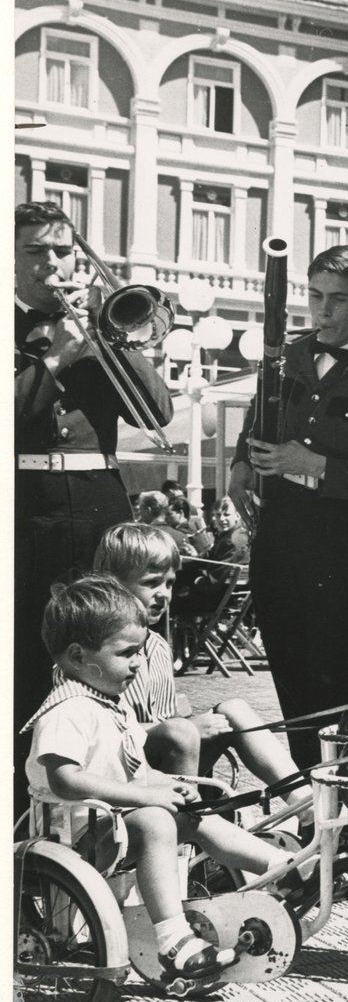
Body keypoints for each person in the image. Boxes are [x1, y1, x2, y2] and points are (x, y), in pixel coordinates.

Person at [23, 576, 305, 985]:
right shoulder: (66, 711)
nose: (139, 663)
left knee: (190, 813)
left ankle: (281, 866)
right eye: (127, 654)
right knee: (156, 820)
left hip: (109, 827)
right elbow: (65, 780)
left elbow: (134, 766)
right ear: (78, 656)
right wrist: (142, 795)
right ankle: (174, 940)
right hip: (72, 834)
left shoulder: (106, 706)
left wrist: (169, 784)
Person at [228, 246, 348, 772]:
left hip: (344, 546)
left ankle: (345, 799)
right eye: (315, 296)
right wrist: (239, 464)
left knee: (338, 685)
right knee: (288, 672)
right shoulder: (288, 356)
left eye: (338, 300)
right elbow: (257, 419)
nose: (323, 311)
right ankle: (306, 792)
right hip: (279, 536)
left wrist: (314, 464)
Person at [14, 200, 174, 820]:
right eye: (36, 251)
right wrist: (55, 360)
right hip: (26, 506)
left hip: (101, 503)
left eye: (63, 251)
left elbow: (155, 412)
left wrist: (112, 340)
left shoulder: (101, 328)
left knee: (111, 649)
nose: (53, 264)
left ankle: (116, 806)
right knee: (30, 657)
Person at [92, 523, 313, 821]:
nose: (164, 595)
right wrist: (185, 727)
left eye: (169, 584)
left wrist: (183, 724)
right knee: (182, 730)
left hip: (161, 763)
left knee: (234, 710)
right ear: (113, 584)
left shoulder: (157, 646)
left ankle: (305, 802)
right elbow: (100, 733)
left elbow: (167, 722)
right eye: (152, 583)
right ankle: (189, 834)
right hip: (119, 776)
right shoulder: (95, 650)